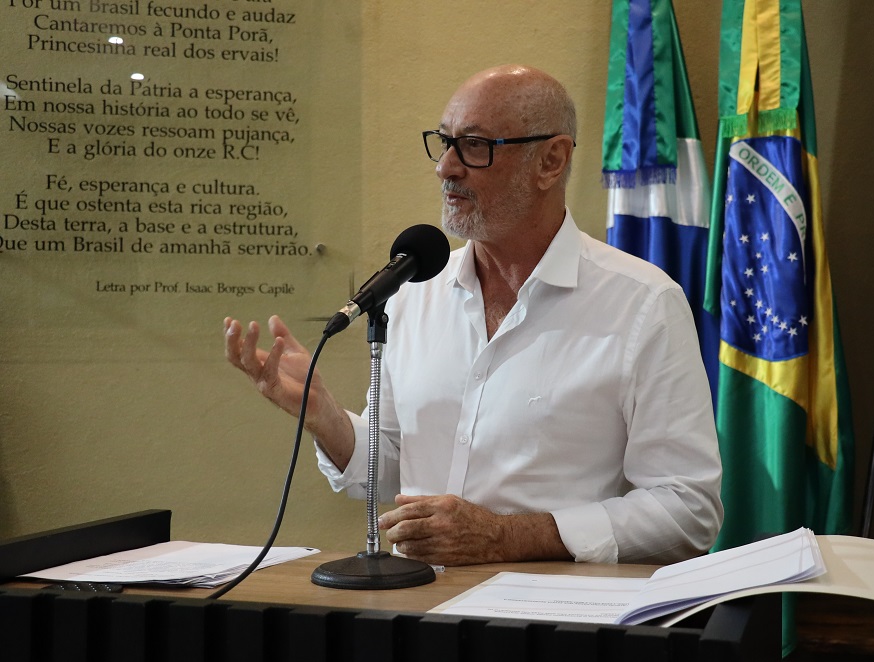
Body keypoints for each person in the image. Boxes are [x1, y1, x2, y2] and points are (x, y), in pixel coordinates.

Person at [224, 64, 722, 566]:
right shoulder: (414, 293)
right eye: (444, 142)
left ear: (551, 160)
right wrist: (325, 417)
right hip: (416, 601)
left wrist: (508, 537)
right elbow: (392, 466)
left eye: (474, 145)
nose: (446, 167)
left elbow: (688, 508)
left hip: (551, 608)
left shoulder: (642, 303)